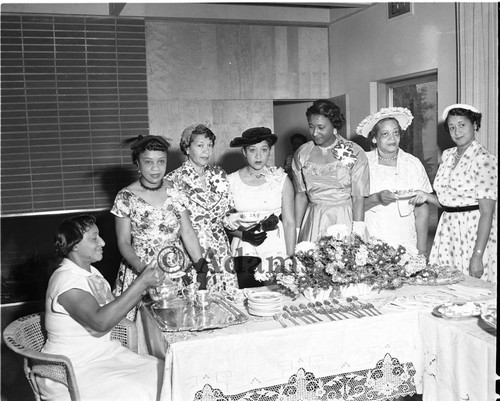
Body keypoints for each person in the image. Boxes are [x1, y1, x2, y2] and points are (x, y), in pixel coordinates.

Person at [38, 215, 164, 401]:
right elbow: (101, 322)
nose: (103, 242)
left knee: (165, 371)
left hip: (104, 355)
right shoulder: (66, 280)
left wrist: (146, 287)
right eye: (94, 238)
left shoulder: (91, 273)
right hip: (72, 368)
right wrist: (142, 282)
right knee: (146, 388)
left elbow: (114, 309)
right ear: (74, 245)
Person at [112, 135, 207, 320]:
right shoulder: (125, 197)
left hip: (176, 268)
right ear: (137, 164)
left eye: (161, 161)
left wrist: (201, 265)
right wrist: (142, 270)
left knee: (179, 322)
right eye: (148, 162)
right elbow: (123, 243)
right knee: (143, 328)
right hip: (141, 269)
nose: (155, 169)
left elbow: (187, 232)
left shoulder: (175, 190)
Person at [411, 104, 497, 282]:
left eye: (462, 125)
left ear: (474, 125)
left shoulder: (484, 159)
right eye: (452, 127)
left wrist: (477, 255)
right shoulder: (448, 155)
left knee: (474, 289)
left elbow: (487, 212)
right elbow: (449, 202)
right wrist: (427, 196)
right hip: (448, 230)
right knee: (446, 285)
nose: (457, 131)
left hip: (473, 232)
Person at [166, 124, 238, 291]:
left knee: (224, 300)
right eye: (200, 145)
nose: (206, 151)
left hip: (220, 249)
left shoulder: (219, 175)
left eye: (210, 145)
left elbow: (228, 214)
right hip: (190, 249)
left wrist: (237, 221)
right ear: (186, 147)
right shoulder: (173, 180)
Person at [226, 127, 296, 287]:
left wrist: (291, 257)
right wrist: (243, 235)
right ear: (244, 152)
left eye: (264, 150)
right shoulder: (230, 181)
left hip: (276, 246)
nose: (258, 156)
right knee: (248, 295)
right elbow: (223, 221)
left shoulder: (281, 179)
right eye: (252, 150)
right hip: (244, 246)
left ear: (269, 151)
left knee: (277, 294)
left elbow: (289, 222)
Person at [356, 107, 432, 254]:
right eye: (385, 134)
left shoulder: (412, 163)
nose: (392, 138)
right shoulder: (363, 163)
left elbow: (421, 210)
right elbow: (353, 206)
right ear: (374, 138)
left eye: (396, 132)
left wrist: (422, 249)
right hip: (372, 237)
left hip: (405, 239)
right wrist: (377, 198)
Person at [292, 99, 370, 242]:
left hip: (343, 218)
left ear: (334, 125)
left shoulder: (349, 151)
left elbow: (358, 197)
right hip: (313, 220)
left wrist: (357, 232)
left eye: (321, 127)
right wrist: (296, 231)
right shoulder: (303, 153)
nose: (315, 133)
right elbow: (301, 195)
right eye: (311, 126)